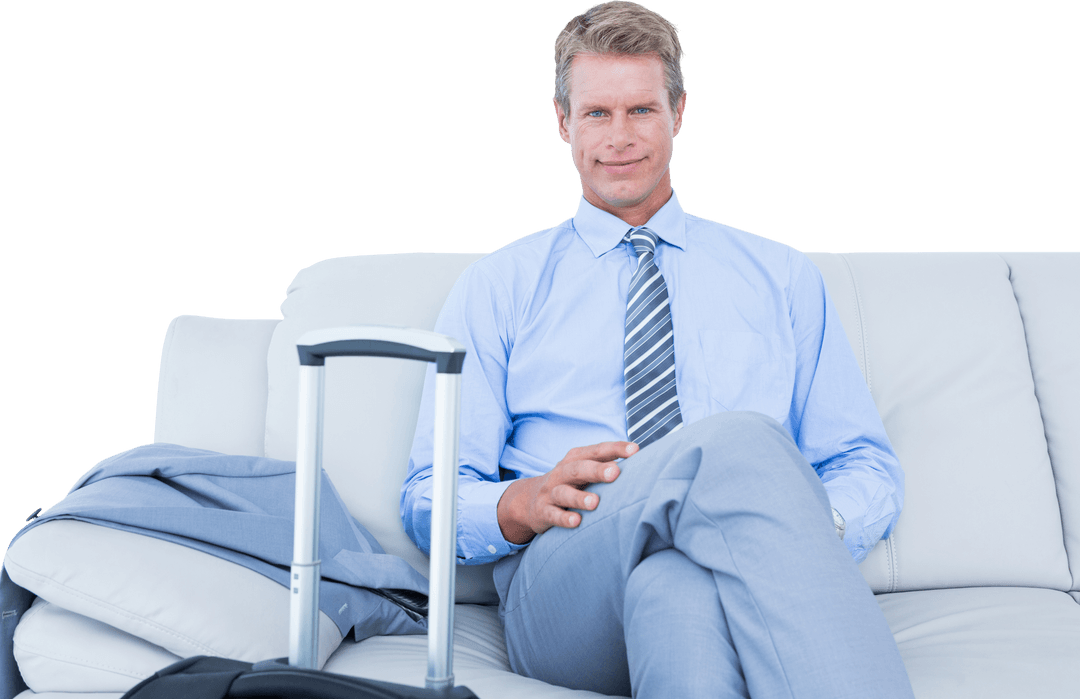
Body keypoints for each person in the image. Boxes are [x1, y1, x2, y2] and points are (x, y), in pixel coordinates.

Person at [403, 2, 915, 697]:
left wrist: (779, 527)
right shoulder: (498, 286)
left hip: (718, 577)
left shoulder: (781, 276)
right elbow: (428, 498)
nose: (619, 137)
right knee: (736, 443)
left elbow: (863, 463)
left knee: (677, 590)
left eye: (641, 110)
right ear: (563, 122)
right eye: (597, 113)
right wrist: (525, 500)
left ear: (678, 112)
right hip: (564, 579)